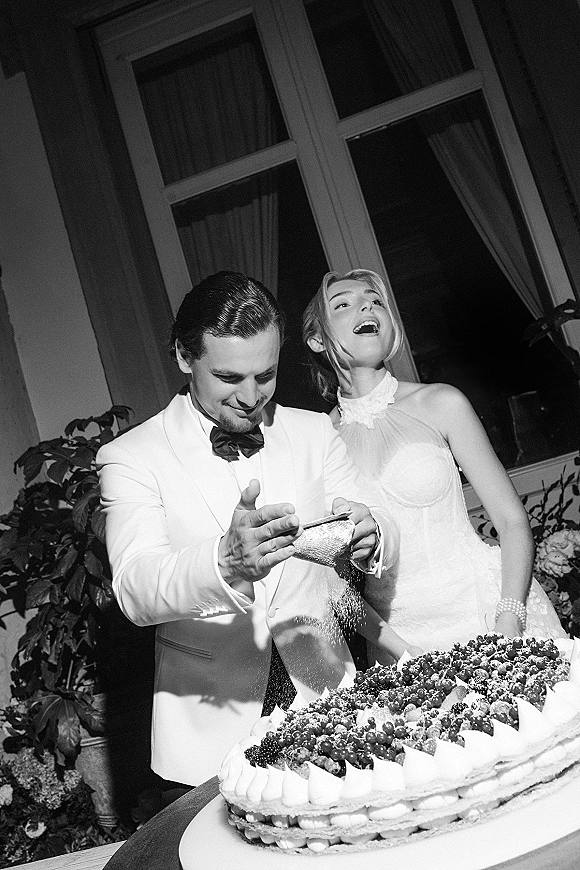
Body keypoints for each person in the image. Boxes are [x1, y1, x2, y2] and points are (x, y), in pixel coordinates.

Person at [97, 270, 408, 788]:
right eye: (228, 378)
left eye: (265, 376)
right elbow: (134, 588)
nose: (250, 397)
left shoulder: (313, 433)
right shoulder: (131, 457)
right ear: (183, 357)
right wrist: (225, 564)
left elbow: (381, 525)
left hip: (327, 694)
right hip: (210, 727)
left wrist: (371, 539)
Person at [303, 268, 567, 660]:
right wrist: (401, 651)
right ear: (318, 340)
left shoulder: (441, 403)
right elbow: (334, 583)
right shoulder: (317, 441)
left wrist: (509, 618)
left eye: (375, 301)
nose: (366, 306)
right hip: (400, 646)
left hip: (488, 615)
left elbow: (511, 521)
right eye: (344, 304)